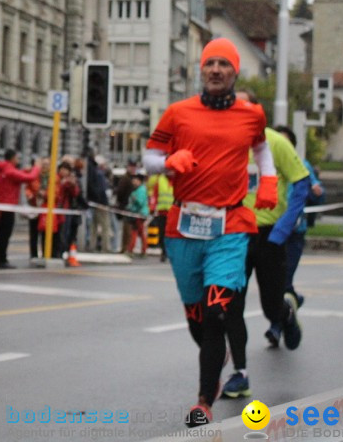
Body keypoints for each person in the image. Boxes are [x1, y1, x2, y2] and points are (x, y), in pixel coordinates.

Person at [143, 38, 277, 427]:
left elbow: (262, 151)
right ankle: (216, 361)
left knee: (218, 312)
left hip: (229, 227)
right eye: (210, 63)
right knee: (197, 318)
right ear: (201, 70)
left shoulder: (252, 115)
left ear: (235, 72)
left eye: (224, 64)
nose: (216, 69)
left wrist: (267, 183)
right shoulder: (177, 113)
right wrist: (169, 161)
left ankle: (203, 401)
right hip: (184, 228)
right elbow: (149, 157)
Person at [220, 110, 310, 401]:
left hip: (269, 234)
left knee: (270, 306)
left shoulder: (275, 142)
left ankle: (284, 314)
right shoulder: (223, 141)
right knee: (232, 303)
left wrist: (283, 229)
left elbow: (302, 183)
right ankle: (240, 373)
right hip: (234, 234)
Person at [274, 125, 324, 309]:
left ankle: (277, 327)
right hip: (270, 231)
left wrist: (317, 192)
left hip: (294, 231)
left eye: (284, 142)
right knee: (275, 282)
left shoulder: (301, 165)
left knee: (284, 280)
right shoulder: (264, 165)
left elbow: (316, 192)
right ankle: (293, 300)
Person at [0, 149, 41, 269]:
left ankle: (2, 258)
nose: (18, 160)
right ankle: (2, 260)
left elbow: (18, 173)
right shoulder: (9, 171)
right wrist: (36, 167)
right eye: (17, 158)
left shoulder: (4, 169)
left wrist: (27, 170)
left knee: (3, 234)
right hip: (7, 207)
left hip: (3, 206)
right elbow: (29, 177)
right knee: (5, 234)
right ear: (13, 158)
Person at [146, 172, 174, 262]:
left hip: (173, 213)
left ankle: (170, 252)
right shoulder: (160, 180)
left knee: (172, 235)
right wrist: (152, 208)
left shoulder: (177, 179)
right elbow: (155, 195)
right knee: (162, 234)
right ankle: (164, 252)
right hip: (162, 212)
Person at [125, 173, 150, 257]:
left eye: (135, 180)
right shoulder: (138, 190)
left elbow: (140, 203)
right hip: (138, 214)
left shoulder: (141, 190)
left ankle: (131, 250)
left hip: (139, 215)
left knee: (135, 232)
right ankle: (143, 250)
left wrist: (134, 200)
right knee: (140, 233)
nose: (133, 182)